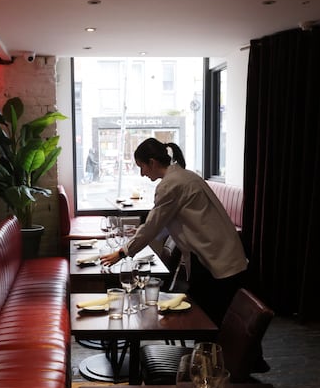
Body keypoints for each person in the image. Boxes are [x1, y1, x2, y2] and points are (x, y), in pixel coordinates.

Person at [100, 138, 247, 325]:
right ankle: (208, 353)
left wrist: (122, 252)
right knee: (217, 322)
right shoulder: (185, 176)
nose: (142, 173)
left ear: (152, 162)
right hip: (223, 255)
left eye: (141, 167)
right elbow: (162, 225)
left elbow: (153, 226)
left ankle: (208, 353)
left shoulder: (171, 184)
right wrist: (138, 234)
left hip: (216, 259)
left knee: (212, 323)